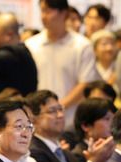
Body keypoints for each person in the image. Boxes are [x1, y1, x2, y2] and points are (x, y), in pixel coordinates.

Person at [25, 0, 99, 130]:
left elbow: (85, 83)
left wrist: (56, 108)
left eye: (48, 11)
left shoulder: (82, 45)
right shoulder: (31, 45)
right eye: (42, 11)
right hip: (37, 122)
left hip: (70, 122)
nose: (43, 16)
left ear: (64, 13)